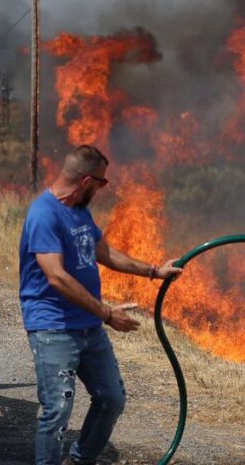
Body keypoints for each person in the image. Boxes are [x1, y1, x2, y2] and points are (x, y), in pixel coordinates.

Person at [19, 144, 182, 465]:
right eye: (102, 182)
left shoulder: (80, 211)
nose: (103, 188)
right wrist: (107, 313)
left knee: (111, 399)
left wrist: (153, 271)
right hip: (53, 327)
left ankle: (79, 460)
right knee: (57, 410)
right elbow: (56, 277)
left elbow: (103, 253)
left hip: (88, 328)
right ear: (86, 180)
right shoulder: (44, 214)